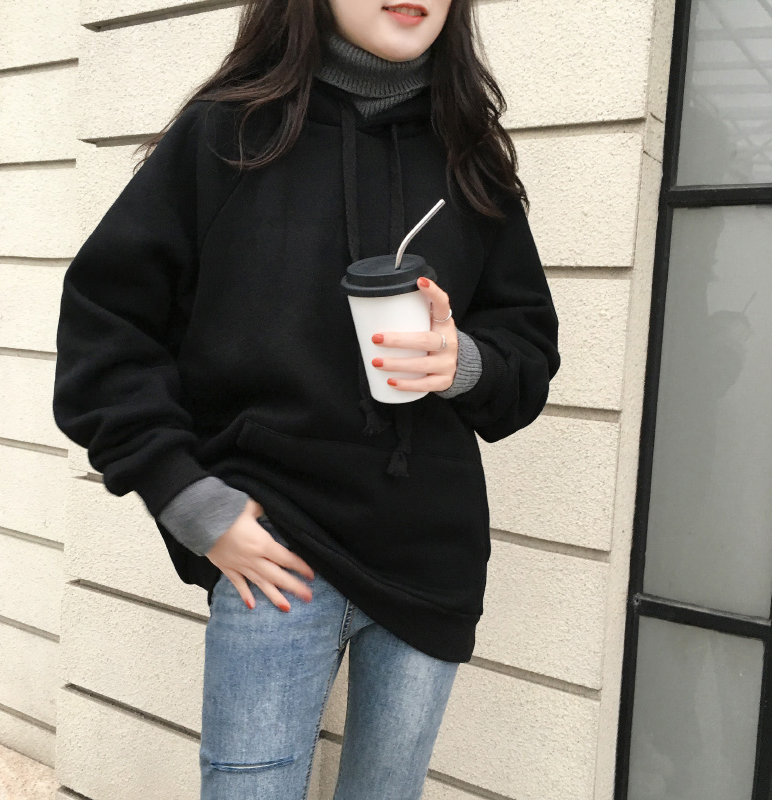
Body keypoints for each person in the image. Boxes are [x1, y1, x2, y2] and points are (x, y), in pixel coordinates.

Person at [52, 0, 561, 797]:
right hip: (277, 552)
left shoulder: (472, 160)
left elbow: (527, 351)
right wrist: (189, 500)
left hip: (431, 555)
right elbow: (106, 328)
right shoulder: (228, 135)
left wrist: (463, 362)